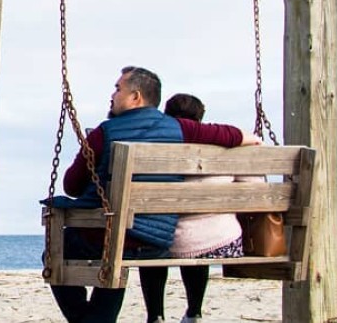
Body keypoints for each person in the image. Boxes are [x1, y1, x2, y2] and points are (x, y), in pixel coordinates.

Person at [47, 66, 261, 323]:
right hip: (157, 244)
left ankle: (90, 319)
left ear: (135, 97)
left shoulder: (105, 133)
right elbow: (228, 134)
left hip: (110, 240)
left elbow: (71, 186)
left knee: (63, 247)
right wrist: (251, 139)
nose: (112, 95)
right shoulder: (178, 128)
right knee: (115, 257)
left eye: (118, 89)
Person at [138, 94, 247, 323]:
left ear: (166, 117)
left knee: (153, 245)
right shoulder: (225, 145)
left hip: (163, 242)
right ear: (201, 117)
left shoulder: (153, 148)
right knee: (199, 240)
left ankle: (155, 316)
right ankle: (194, 312)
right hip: (220, 242)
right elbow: (253, 189)